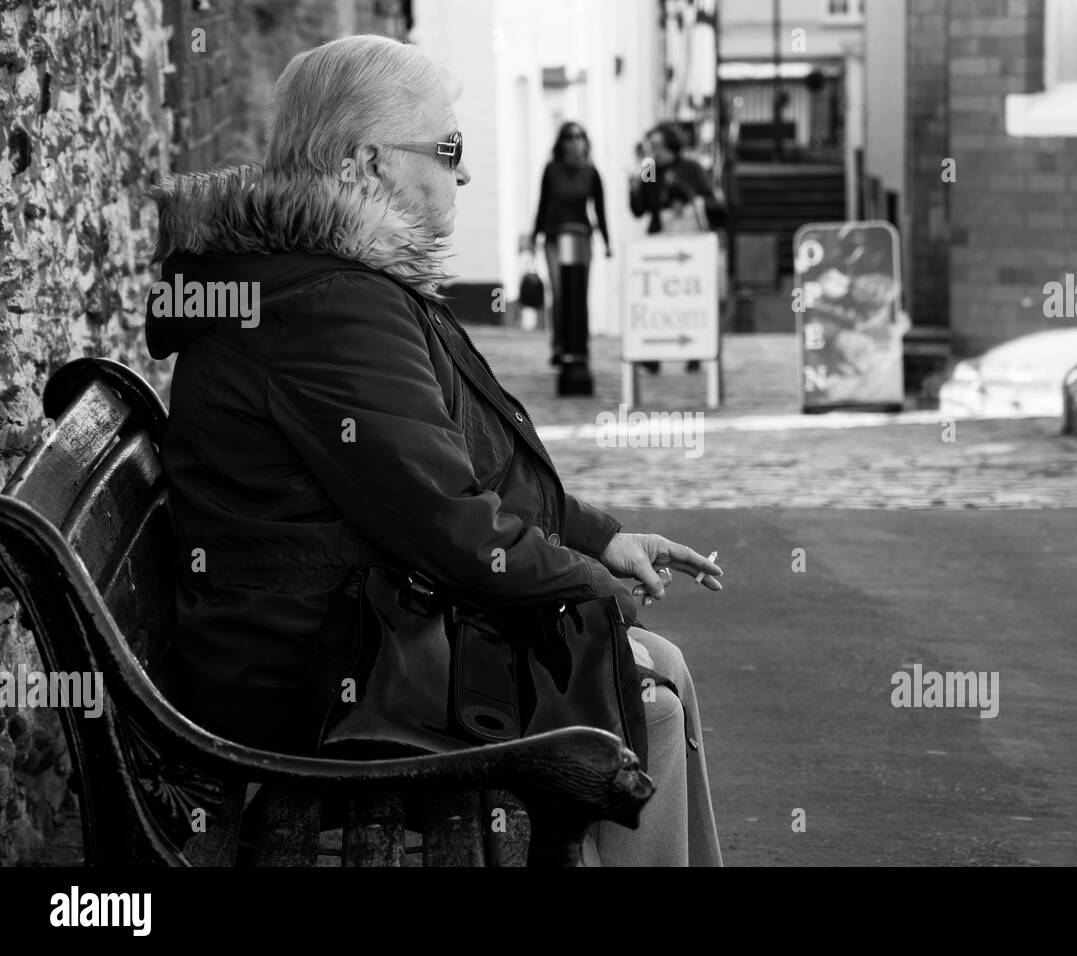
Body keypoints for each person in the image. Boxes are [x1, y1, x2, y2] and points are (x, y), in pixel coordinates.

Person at [144, 35, 723, 867]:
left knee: (651, 670)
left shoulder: (324, 280)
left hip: (330, 628)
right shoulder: (329, 303)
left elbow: (459, 468)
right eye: (449, 148)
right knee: (645, 703)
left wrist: (596, 539)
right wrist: (592, 594)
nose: (465, 172)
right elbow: (450, 523)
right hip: (313, 673)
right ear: (364, 164)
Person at [628, 123, 722, 374]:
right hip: (659, 237)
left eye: (656, 145)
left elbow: (708, 199)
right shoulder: (650, 168)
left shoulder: (690, 167)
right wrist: (635, 185)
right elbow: (640, 207)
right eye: (650, 146)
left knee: (685, 296)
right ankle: (652, 354)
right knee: (655, 297)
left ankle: (694, 350)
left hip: (687, 239)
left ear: (670, 145)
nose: (653, 151)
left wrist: (683, 196)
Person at [532, 121, 611, 368]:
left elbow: (600, 210)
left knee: (579, 291)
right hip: (555, 237)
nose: (576, 142)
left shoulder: (591, 172)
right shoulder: (551, 170)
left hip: (581, 238)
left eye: (580, 137)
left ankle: (580, 345)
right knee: (559, 291)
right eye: (570, 137)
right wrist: (535, 235)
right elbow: (542, 204)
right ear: (562, 143)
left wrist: (608, 242)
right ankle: (559, 344)